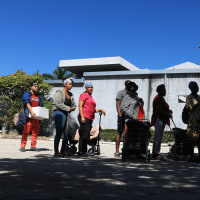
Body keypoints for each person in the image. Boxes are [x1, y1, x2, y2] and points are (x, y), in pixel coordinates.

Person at [78, 82, 106, 157]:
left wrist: (100, 109)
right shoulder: (84, 95)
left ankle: (80, 151)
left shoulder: (90, 97)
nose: (91, 88)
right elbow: (80, 106)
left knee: (84, 134)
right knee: (85, 135)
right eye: (89, 87)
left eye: (92, 87)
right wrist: (82, 117)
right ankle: (83, 151)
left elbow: (92, 109)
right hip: (84, 117)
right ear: (86, 88)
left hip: (89, 118)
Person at [53, 77, 76, 157]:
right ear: (65, 84)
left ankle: (63, 151)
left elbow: (74, 105)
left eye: (72, 84)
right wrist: (69, 108)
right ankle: (56, 152)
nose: (71, 86)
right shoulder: (59, 92)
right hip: (59, 113)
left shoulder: (71, 94)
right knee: (59, 132)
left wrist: (73, 108)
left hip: (67, 114)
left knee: (67, 133)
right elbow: (58, 104)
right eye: (70, 84)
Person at [20, 82, 44, 152]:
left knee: (35, 132)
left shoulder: (38, 97)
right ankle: (22, 146)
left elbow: (41, 106)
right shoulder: (27, 94)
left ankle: (33, 146)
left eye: (37, 86)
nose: (36, 87)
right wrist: (31, 112)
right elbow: (27, 103)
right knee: (26, 132)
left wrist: (43, 115)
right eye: (35, 86)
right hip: (29, 117)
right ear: (31, 87)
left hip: (36, 118)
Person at [150, 84, 172, 160]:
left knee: (158, 136)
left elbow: (163, 108)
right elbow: (159, 110)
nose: (165, 91)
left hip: (161, 119)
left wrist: (168, 111)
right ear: (160, 91)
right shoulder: (158, 99)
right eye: (164, 90)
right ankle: (156, 153)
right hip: (159, 119)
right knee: (158, 137)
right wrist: (167, 114)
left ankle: (155, 152)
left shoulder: (161, 99)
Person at [115, 80, 130, 157]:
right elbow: (118, 104)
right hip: (122, 114)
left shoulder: (132, 94)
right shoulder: (121, 92)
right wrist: (119, 113)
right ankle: (117, 151)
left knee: (128, 132)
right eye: (128, 84)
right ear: (125, 85)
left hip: (129, 115)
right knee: (119, 132)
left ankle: (127, 150)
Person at [185, 81, 200, 160]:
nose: (197, 88)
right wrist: (197, 104)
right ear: (191, 89)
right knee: (191, 139)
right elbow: (188, 108)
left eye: (197, 86)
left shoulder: (199, 97)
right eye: (195, 87)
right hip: (192, 122)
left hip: (199, 123)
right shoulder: (189, 97)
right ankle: (191, 156)